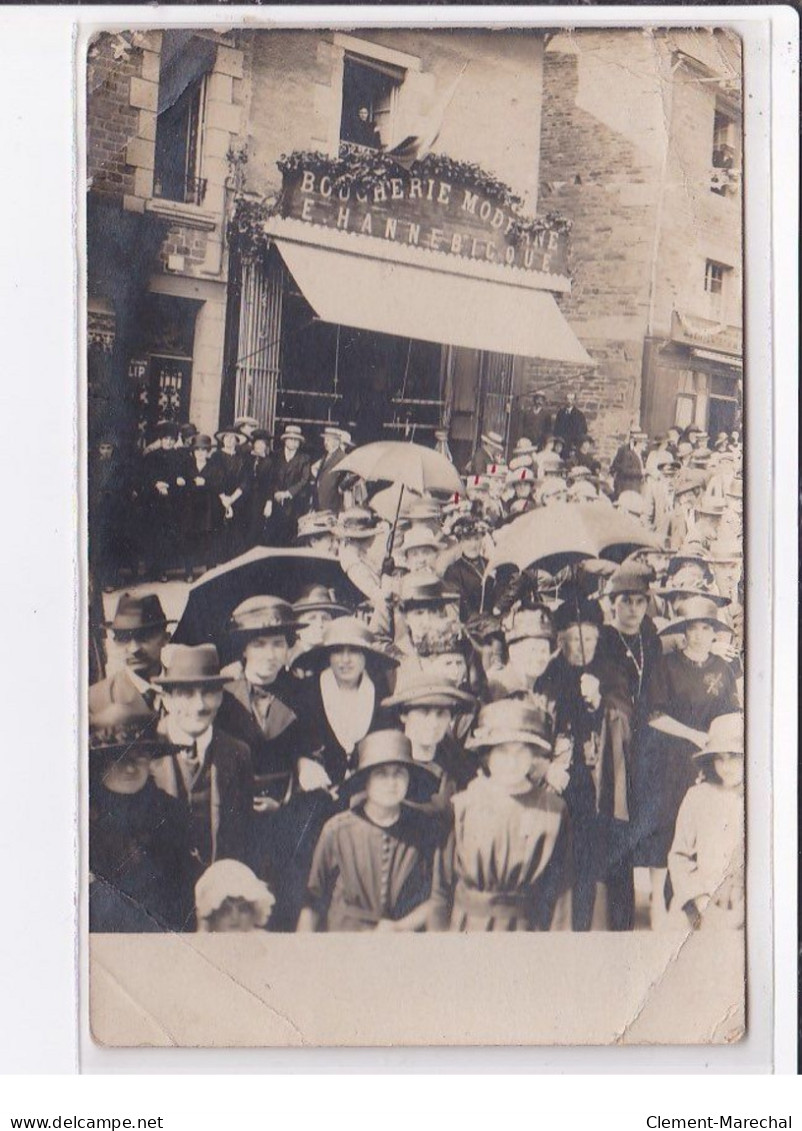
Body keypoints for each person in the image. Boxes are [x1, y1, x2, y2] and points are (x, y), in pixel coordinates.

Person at [636, 596, 739, 928]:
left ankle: (705, 907)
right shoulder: (666, 665)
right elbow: (653, 715)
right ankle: (659, 911)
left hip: (711, 762)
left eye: (705, 628)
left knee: (704, 832)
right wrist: (693, 735)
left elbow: (730, 715)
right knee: (668, 833)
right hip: (670, 762)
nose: (698, 635)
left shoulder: (722, 670)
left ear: (714, 633)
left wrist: (715, 743)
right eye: (691, 628)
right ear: (682, 632)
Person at [432, 699, 574, 931]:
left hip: (526, 934)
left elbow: (561, 894)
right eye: (502, 751)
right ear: (487, 755)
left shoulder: (552, 811)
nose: (512, 762)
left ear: (533, 756)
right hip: (467, 931)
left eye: (521, 752)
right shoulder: (463, 806)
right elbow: (440, 889)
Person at [539, 597, 635, 931]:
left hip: (601, 783)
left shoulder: (610, 670)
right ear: (560, 641)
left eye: (589, 639)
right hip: (561, 781)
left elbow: (626, 717)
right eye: (573, 640)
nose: (582, 647)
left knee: (602, 861)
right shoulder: (549, 672)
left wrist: (599, 701)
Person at [298, 731, 446, 932]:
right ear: (365, 781)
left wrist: (400, 927)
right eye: (381, 774)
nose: (391, 783)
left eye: (399, 773)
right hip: (346, 938)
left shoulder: (425, 829)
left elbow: (436, 899)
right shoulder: (338, 830)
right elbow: (313, 900)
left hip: (400, 941)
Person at [88, 702, 194, 933]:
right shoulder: (83, 821)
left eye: (140, 757)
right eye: (120, 758)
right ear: (99, 763)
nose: (130, 769)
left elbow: (184, 892)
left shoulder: (171, 813)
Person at [150, 644, 254, 878]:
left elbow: (246, 836)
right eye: (186, 693)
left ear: (220, 696)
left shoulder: (238, 754)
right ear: (167, 699)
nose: (199, 706)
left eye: (208, 692)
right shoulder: (145, 754)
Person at [292, 617, 397, 791]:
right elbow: (296, 743)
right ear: (328, 656)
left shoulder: (381, 692)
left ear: (366, 656)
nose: (345, 660)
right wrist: (302, 763)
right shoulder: (308, 692)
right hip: (318, 793)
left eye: (354, 651)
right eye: (338, 651)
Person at [667, 712, 744, 930]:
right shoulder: (698, 797)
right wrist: (699, 900)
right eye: (720, 758)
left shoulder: (760, 802)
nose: (726, 766)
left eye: (734, 756)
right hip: (701, 907)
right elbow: (679, 856)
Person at [382, 667, 478, 812]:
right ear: (403, 715)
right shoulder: (383, 765)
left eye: (441, 714)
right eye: (424, 712)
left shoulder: (465, 766)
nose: (433, 723)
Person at [89, 593, 171, 718]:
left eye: (145, 636)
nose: (134, 649)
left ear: (165, 638)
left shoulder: (195, 691)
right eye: (124, 638)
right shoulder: (95, 700)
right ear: (115, 641)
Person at [137, 420, 184, 580]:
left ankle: (162, 570)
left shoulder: (179, 456)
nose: (169, 442)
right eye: (166, 439)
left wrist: (176, 481)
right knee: (152, 533)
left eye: (172, 439)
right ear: (161, 439)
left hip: (172, 500)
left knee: (166, 536)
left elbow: (183, 475)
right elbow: (144, 476)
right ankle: (150, 569)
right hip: (153, 500)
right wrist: (156, 483)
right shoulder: (151, 456)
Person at [180, 433, 223, 578]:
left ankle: (210, 570)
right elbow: (181, 483)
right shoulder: (187, 465)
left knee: (209, 538)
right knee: (190, 538)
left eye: (204, 450)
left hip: (208, 508)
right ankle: (189, 572)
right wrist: (182, 481)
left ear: (208, 452)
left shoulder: (214, 466)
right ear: (193, 452)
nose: (200, 453)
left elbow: (219, 485)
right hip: (190, 507)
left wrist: (206, 483)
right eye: (197, 450)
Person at [194, 859, 275, 932]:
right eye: (225, 911)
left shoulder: (268, 943)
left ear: (255, 913)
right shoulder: (199, 945)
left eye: (243, 909)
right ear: (211, 917)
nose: (235, 917)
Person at [264, 424, 312, 546]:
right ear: (285, 440)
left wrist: (287, 493)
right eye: (291, 439)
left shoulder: (304, 458)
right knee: (273, 538)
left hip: (295, 506)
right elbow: (270, 479)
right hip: (275, 504)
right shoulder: (275, 456)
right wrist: (274, 495)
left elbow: (304, 480)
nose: (293, 442)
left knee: (291, 539)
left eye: (296, 440)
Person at [211, 427, 248, 562]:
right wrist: (224, 499)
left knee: (236, 533)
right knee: (219, 531)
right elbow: (215, 479)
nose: (229, 440)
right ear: (222, 439)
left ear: (237, 441)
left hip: (236, 499)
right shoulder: (216, 456)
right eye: (227, 437)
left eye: (233, 438)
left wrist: (232, 499)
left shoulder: (241, 459)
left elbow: (244, 481)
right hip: (219, 498)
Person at [442, 516, 489, 621]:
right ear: (460, 542)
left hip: (494, 622)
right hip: (469, 627)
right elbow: (460, 607)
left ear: (482, 539)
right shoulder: (454, 571)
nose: (473, 545)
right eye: (467, 539)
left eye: (476, 538)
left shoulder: (490, 564)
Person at [243, 429, 274, 547]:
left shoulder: (269, 462)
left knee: (255, 529)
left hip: (259, 500)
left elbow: (270, 484)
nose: (260, 446)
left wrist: (269, 503)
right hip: (245, 498)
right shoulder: (246, 458)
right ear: (253, 444)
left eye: (263, 444)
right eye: (257, 443)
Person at [313, 425, 348, 514]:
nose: (325, 442)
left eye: (328, 440)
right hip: (321, 502)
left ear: (336, 442)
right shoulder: (326, 456)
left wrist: (341, 487)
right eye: (325, 440)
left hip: (332, 502)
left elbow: (352, 475)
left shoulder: (342, 456)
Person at [610, 429, 647, 499]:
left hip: (636, 486)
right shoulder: (627, 452)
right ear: (638, 443)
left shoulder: (640, 454)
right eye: (643, 443)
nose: (645, 445)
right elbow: (624, 470)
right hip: (628, 486)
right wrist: (641, 472)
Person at [553, 392, 587, 458]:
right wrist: (558, 441)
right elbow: (556, 429)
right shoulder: (561, 413)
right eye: (567, 399)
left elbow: (583, 431)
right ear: (565, 400)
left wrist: (575, 444)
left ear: (574, 401)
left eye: (571, 400)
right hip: (561, 445)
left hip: (572, 445)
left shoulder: (579, 415)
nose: (569, 401)